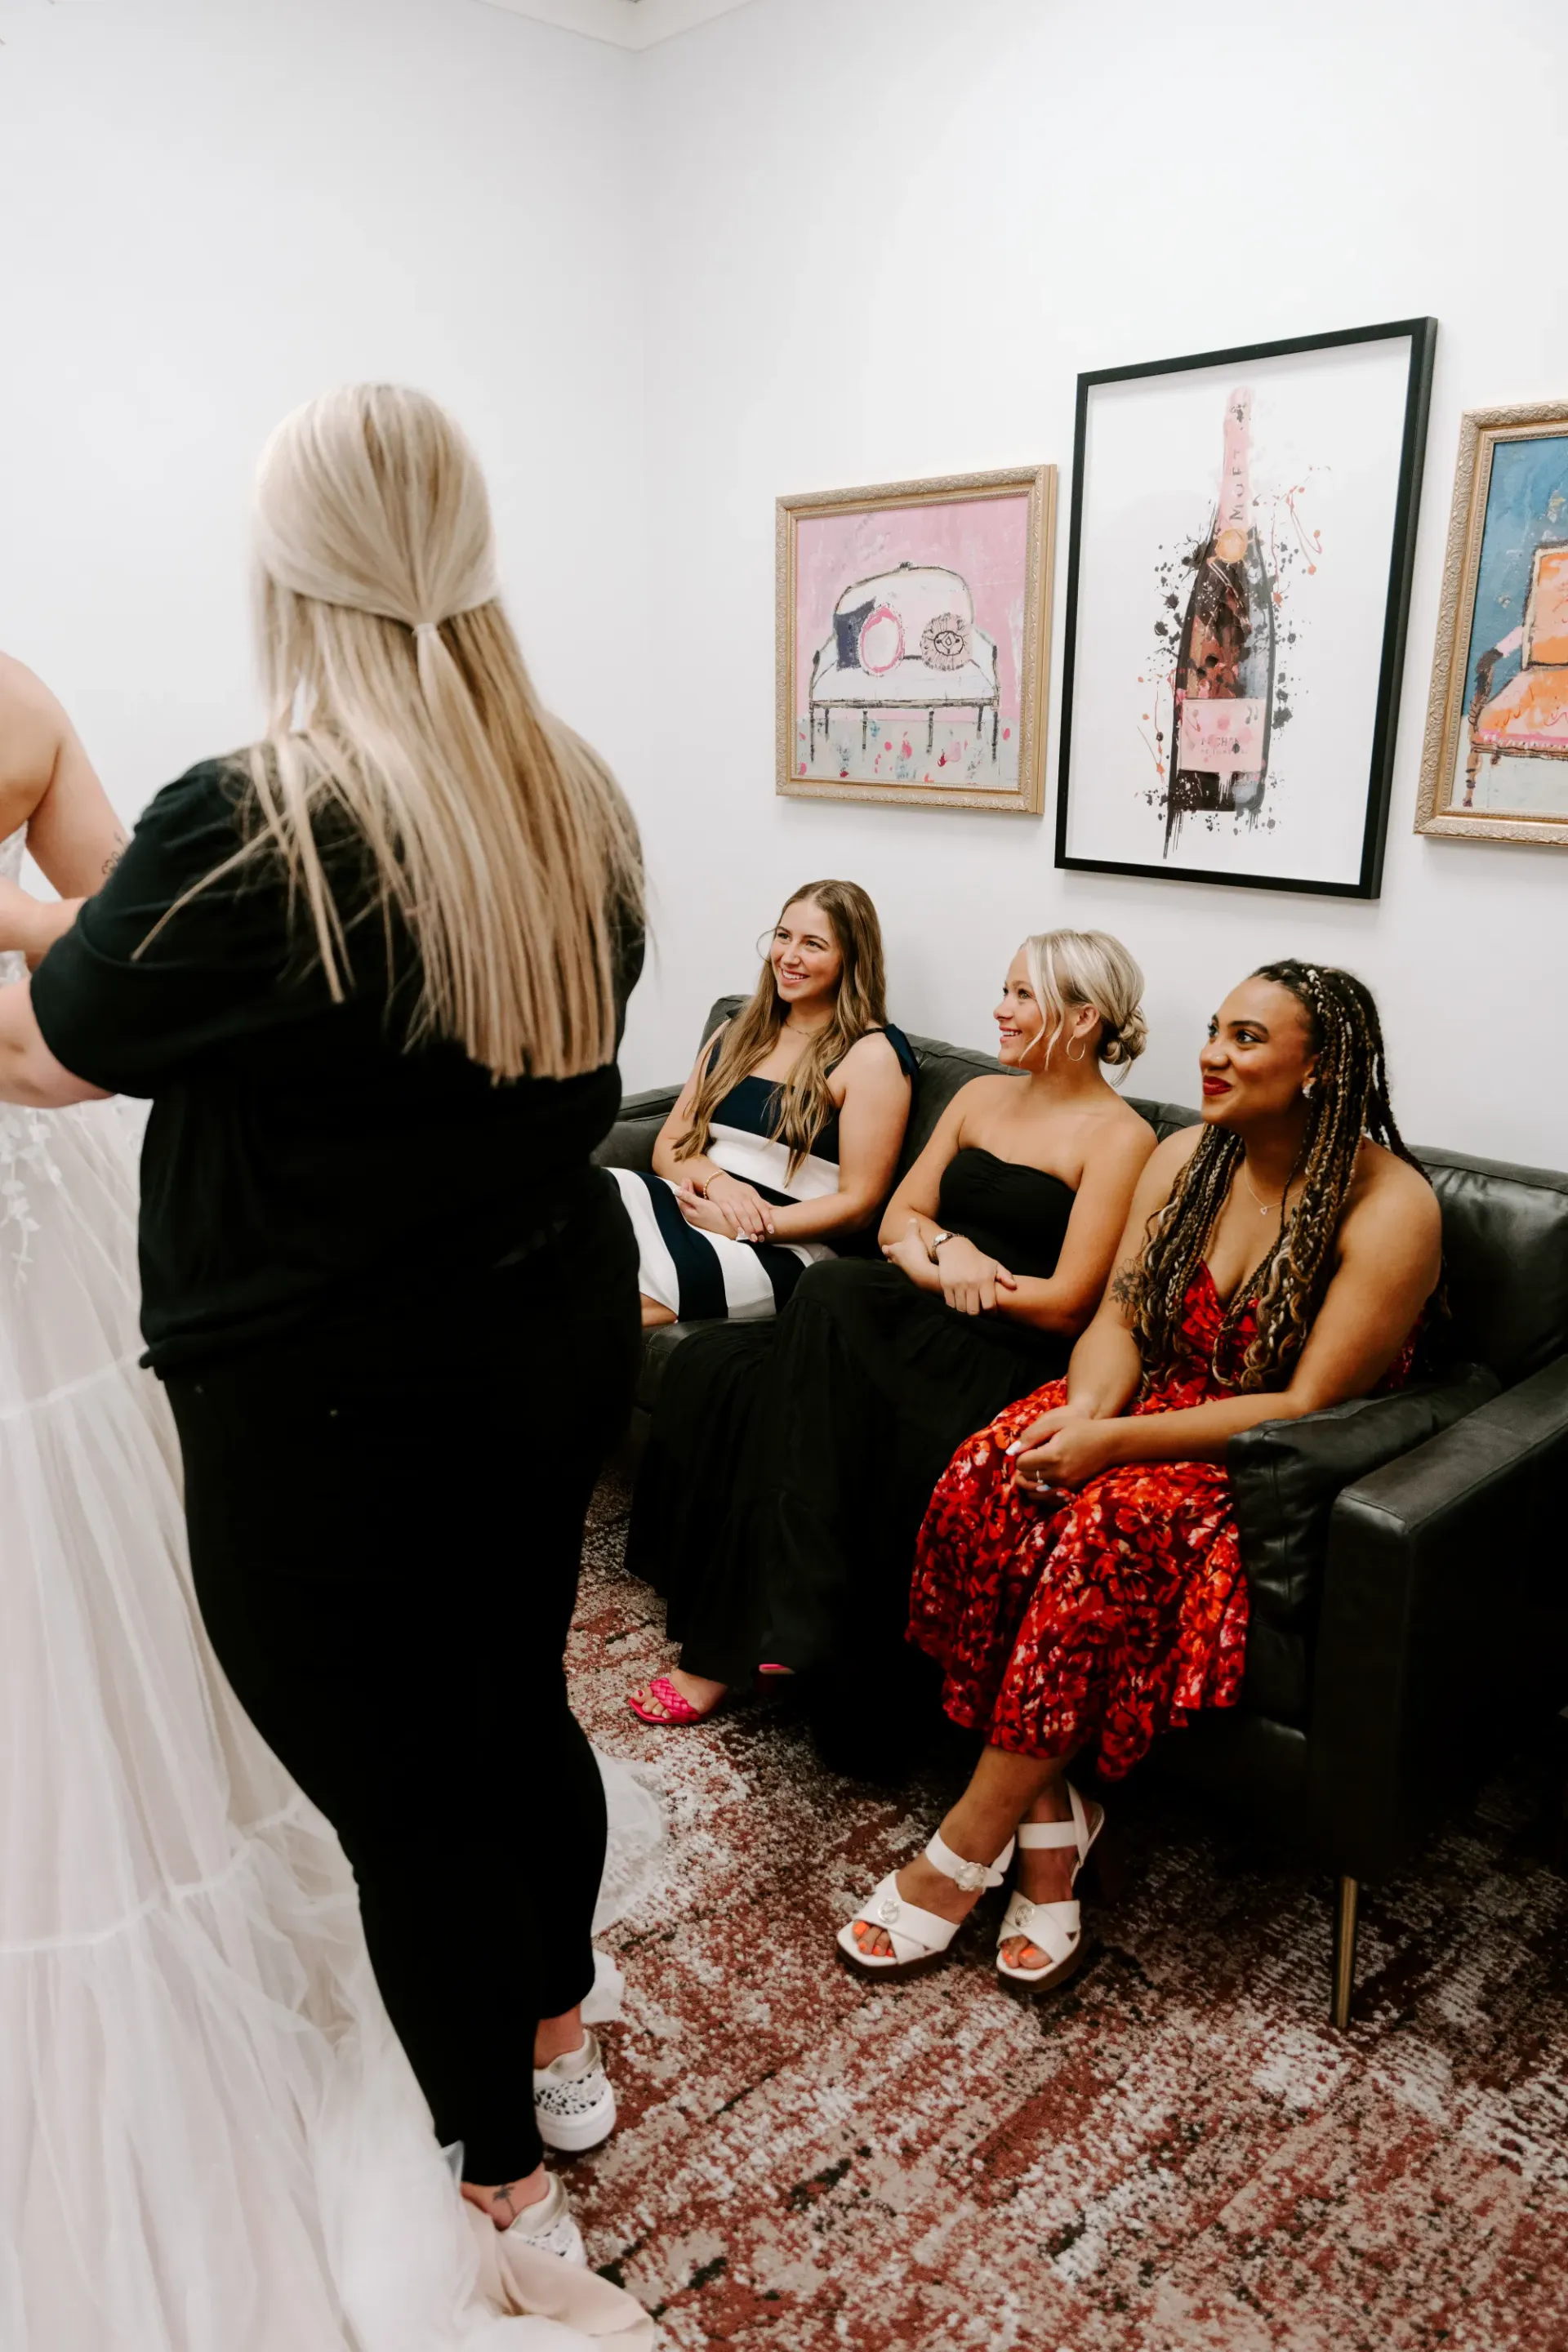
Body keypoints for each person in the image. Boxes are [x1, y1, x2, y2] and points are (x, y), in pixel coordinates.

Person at [0, 385, 656, 2298]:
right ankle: (560, 2042)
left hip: (334, 1402)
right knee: (517, 1704)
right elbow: (171, 969)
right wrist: (66, 910)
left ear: (286, 570)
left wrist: (37, 919)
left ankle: (501, 2185)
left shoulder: (262, 815)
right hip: (542, 1342)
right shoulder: (564, 789)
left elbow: (69, 1042)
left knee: (401, 1800)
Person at [839, 960, 1441, 1994]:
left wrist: (1111, 1452)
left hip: (1258, 1455)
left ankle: (962, 1850)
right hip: (1143, 1402)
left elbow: (1301, 1407)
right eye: (1214, 1029)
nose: (1211, 1053)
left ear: (1320, 1066)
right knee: (990, 1473)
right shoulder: (1183, 1159)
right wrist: (1085, 1414)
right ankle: (1055, 1828)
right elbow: (1119, 1320)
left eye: (1247, 1038)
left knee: (1100, 1534)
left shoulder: (1392, 1207)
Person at [625, 929, 1156, 1734]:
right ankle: (780, 1621)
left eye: (1021, 995)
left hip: (999, 1344)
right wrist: (949, 1252)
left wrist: (968, 1278)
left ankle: (746, 1640)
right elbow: (900, 1222)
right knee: (721, 1370)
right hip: (918, 1301)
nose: (999, 1010)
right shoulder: (979, 1097)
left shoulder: (1122, 1138)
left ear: (1083, 1019)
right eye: (1003, 990)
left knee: (830, 1293)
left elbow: (1069, 1304)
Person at [609, 879, 914, 1333]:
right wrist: (720, 1186)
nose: (789, 957)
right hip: (696, 1204)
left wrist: (750, 1225)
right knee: (587, 1192)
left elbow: (860, 1203)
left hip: (784, 1244)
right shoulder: (737, 1030)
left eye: (813, 944)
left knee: (603, 1300)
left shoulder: (871, 1056)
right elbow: (670, 1144)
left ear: (850, 959)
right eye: (783, 936)